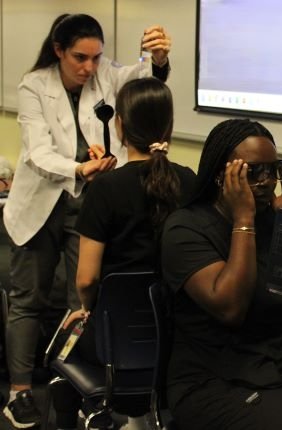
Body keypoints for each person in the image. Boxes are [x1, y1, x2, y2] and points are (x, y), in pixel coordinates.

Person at [2, 13, 172, 428]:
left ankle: (75, 386)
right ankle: (20, 392)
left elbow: (142, 83)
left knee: (84, 300)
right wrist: (79, 168)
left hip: (89, 205)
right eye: (80, 58)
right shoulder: (34, 85)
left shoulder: (105, 74)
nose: (90, 68)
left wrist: (160, 59)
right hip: (41, 202)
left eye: (96, 57)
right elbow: (38, 152)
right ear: (58, 50)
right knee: (29, 298)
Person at [161, 118, 282, 430]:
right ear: (220, 175)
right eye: (253, 172)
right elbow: (230, 308)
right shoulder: (185, 228)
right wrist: (244, 218)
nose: (267, 181)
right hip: (216, 378)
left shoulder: (273, 218)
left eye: (273, 170)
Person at [52, 77, 196, 430]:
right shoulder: (190, 183)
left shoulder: (105, 189)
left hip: (114, 345)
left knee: (59, 352)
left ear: (119, 126)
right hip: (181, 343)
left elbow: (86, 279)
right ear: (170, 126)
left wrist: (86, 308)